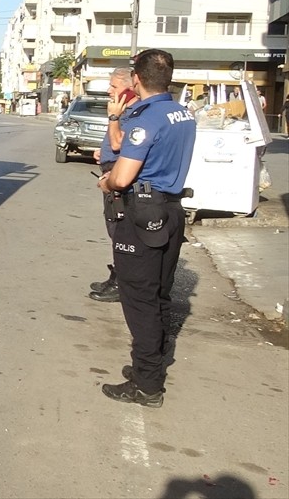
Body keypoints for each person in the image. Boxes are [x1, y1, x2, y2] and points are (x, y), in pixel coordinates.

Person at [96, 49, 196, 408]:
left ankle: (148, 385)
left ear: (136, 79)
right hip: (171, 209)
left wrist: (107, 183)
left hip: (143, 213)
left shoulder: (146, 119)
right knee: (159, 295)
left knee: (139, 300)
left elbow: (122, 177)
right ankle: (146, 367)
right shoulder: (182, 113)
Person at [87, 66, 140, 303]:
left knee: (121, 233)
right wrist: (103, 153)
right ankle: (117, 276)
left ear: (129, 90)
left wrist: (113, 117)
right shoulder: (126, 112)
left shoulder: (130, 113)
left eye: (114, 86)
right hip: (110, 174)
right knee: (115, 232)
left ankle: (122, 284)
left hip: (119, 182)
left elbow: (119, 144)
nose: (109, 91)